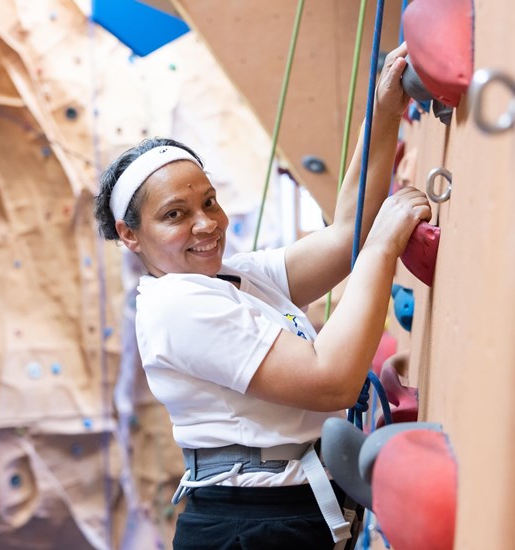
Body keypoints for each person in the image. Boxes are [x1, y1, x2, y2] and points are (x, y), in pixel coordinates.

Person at [94, 43, 430, 550]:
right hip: (251, 527)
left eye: (209, 202)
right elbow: (331, 381)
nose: (206, 224)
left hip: (283, 515)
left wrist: (383, 110)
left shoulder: (234, 277)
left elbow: (345, 235)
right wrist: (384, 245)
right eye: (175, 214)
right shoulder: (176, 307)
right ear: (130, 234)